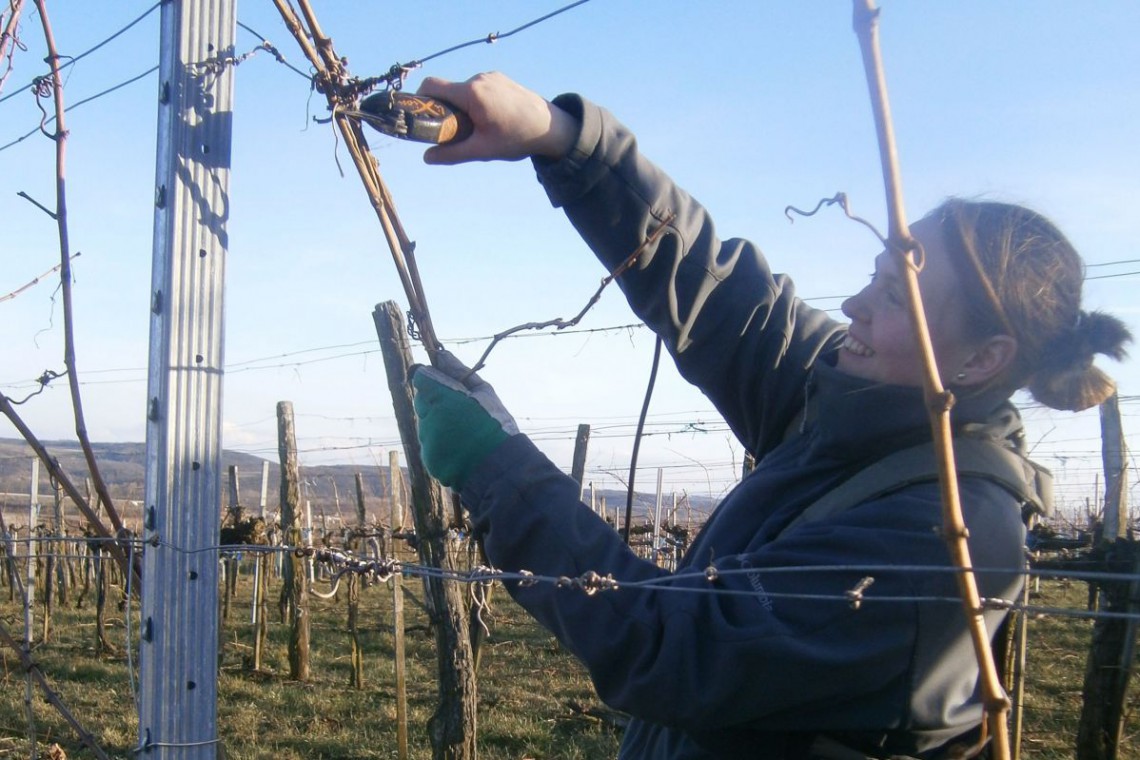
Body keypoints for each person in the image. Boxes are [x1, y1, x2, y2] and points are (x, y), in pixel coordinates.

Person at [407, 72, 1131, 759]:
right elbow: (720, 297)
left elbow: (676, 649)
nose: (853, 306)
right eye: (873, 277)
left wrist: (493, 468)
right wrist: (564, 138)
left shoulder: (946, 541)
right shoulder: (856, 402)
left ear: (980, 361)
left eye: (894, 297)